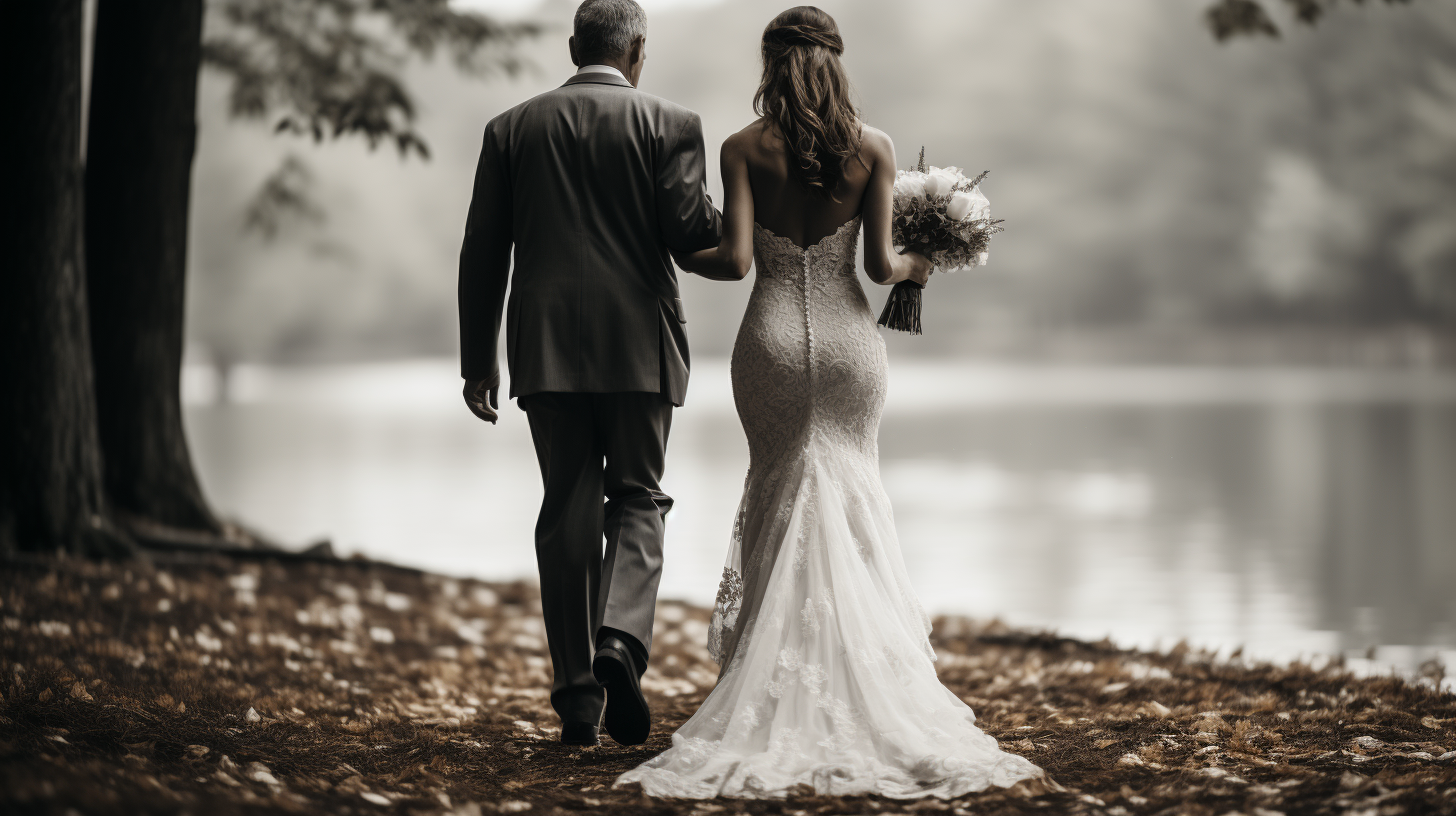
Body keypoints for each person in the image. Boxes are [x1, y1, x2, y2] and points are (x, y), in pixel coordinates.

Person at [615, 6, 1048, 798]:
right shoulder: (873, 148)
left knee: (783, 486)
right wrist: (929, 259)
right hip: (851, 348)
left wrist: (665, 242)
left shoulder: (743, 148)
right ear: (834, 64)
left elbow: (736, 259)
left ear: (772, 65)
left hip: (770, 342)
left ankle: (777, 683)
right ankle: (862, 678)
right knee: (848, 492)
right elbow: (882, 268)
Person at [457, 0, 723, 748]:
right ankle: (621, 640)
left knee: (565, 508)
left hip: (544, 347)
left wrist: (478, 359)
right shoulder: (671, 123)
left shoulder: (511, 128)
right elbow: (689, 233)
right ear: (638, 52)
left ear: (575, 46)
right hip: (640, 342)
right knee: (638, 496)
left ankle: (577, 699)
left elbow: (483, 250)